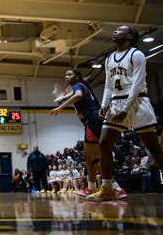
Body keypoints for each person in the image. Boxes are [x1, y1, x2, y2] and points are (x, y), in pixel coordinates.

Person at [87, 26, 163, 202]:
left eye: (119, 30)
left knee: (155, 150)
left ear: (129, 36)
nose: (114, 32)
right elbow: (108, 85)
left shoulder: (136, 55)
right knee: (104, 143)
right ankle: (107, 189)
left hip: (137, 103)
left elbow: (136, 84)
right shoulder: (109, 59)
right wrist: (104, 105)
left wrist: (126, 108)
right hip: (116, 102)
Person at [50, 69, 106, 197]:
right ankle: (91, 188)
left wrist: (60, 107)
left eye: (69, 74)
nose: (66, 77)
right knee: (89, 158)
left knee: (95, 159)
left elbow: (78, 95)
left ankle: (112, 186)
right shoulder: (80, 87)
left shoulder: (78, 86)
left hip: (93, 121)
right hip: (92, 122)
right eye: (65, 75)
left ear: (78, 77)